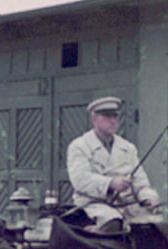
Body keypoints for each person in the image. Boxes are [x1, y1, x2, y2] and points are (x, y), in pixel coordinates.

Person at [67, 96, 161, 232]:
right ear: (94, 119)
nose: (113, 121)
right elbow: (80, 180)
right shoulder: (79, 146)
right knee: (113, 223)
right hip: (93, 204)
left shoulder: (128, 148)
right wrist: (111, 183)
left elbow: (141, 183)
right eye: (106, 117)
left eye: (115, 116)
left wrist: (149, 198)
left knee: (155, 225)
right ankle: (91, 239)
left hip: (126, 205)